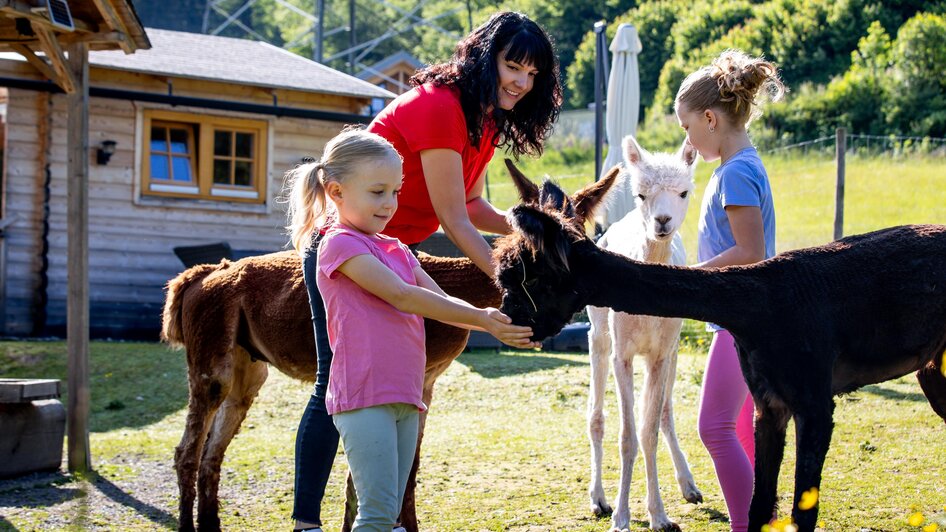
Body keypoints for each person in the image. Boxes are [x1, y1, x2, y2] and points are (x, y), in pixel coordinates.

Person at [292, 11, 561, 531]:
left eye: (532, 75)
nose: (521, 83)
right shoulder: (442, 108)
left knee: (392, 378)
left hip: (394, 247)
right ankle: (307, 523)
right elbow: (453, 219)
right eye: (513, 67)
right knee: (335, 379)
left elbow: (477, 205)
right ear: (487, 59)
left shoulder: (484, 119)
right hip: (349, 242)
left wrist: (534, 234)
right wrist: (513, 279)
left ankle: (376, 513)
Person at [287, 129, 537, 532]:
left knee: (391, 516)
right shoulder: (339, 245)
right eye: (378, 192)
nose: (390, 204)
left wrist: (494, 323)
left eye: (396, 192)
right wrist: (481, 318)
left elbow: (442, 304)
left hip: (404, 393)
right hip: (364, 396)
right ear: (335, 191)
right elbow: (402, 296)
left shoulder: (397, 248)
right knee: (378, 515)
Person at [674, 49, 785, 532]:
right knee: (740, 429)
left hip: (743, 323)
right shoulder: (738, 167)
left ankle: (748, 525)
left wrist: (693, 276)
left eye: (686, 127)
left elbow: (751, 252)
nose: (688, 139)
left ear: (710, 118)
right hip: (744, 320)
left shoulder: (736, 173)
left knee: (713, 428)